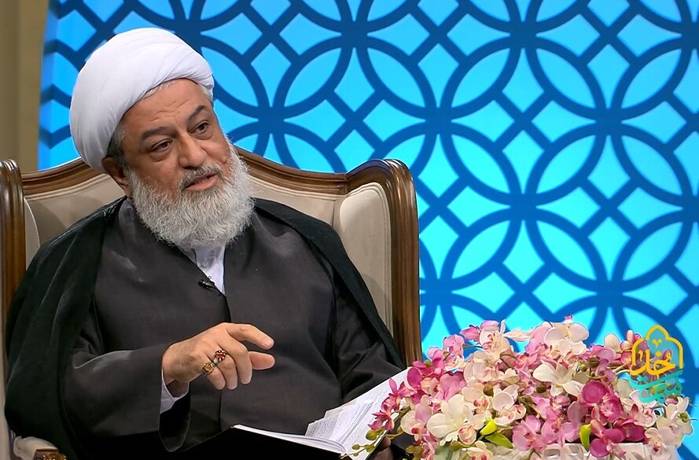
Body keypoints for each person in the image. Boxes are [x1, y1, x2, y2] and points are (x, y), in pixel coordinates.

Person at [5, 28, 403, 459]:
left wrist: (378, 442)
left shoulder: (305, 240)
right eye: (162, 145)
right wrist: (167, 366)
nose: (195, 156)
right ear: (120, 173)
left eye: (202, 127)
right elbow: (49, 399)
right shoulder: (77, 264)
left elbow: (372, 374)